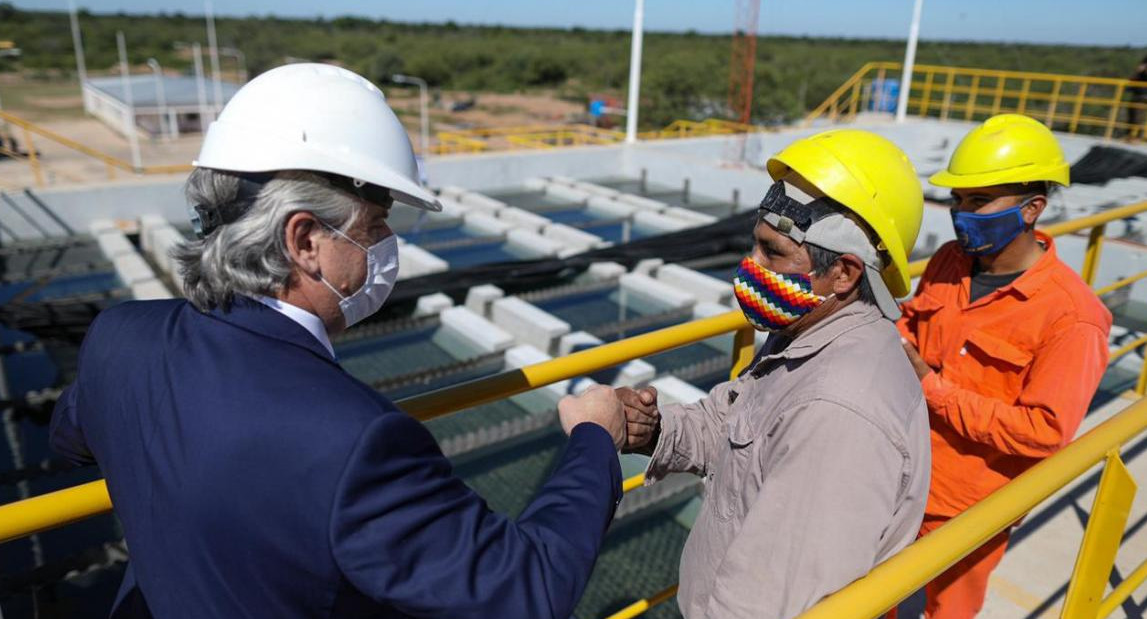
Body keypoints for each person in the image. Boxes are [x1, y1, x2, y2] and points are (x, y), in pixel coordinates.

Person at [50, 63, 627, 619]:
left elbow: (74, 438)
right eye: (375, 226)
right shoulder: (356, 438)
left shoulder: (119, 337)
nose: (385, 245)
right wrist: (595, 438)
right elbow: (525, 588)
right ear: (304, 240)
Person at [620, 130, 931, 619]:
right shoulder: (811, 329)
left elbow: (765, 605)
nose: (751, 265)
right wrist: (655, 430)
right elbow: (737, 424)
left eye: (772, 251)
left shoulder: (836, 412)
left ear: (845, 273)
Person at [896, 113, 1113, 618]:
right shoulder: (951, 260)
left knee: (946, 609)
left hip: (967, 507)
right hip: (900, 470)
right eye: (958, 200)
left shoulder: (1072, 317)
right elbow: (915, 322)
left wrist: (932, 388)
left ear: (1032, 208)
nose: (961, 213)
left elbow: (1043, 430)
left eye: (979, 201)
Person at [1128, 54, 1147, 139]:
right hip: (1139, 94)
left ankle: (1137, 137)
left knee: (1139, 117)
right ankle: (1130, 136)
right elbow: (1133, 77)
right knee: (1133, 115)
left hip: (1143, 95)